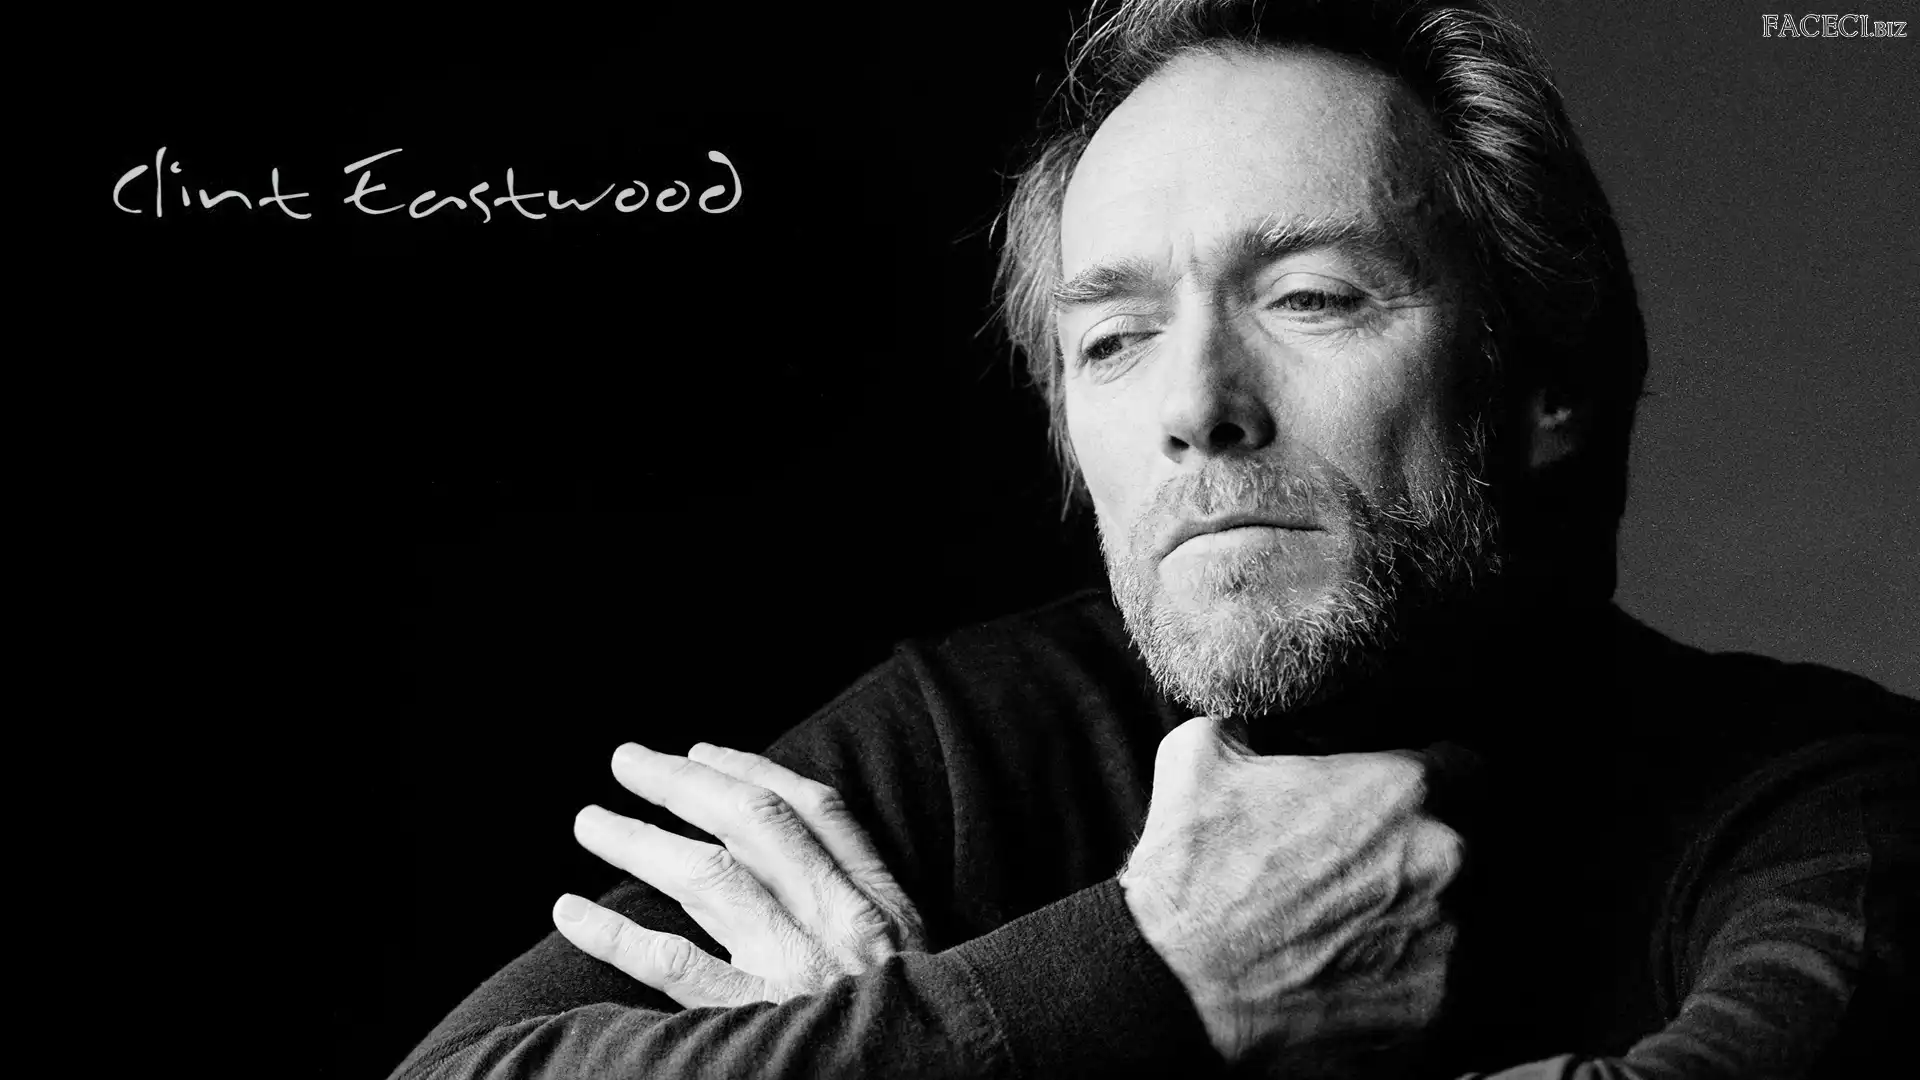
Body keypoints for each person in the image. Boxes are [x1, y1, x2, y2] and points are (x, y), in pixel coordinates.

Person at [388, 1, 1918, 1077]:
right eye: (1113, 339)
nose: (1196, 407)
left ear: (1549, 384)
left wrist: (925, 1046)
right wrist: (1154, 974)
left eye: (1312, 297)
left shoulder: (1831, 805)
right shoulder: (972, 735)